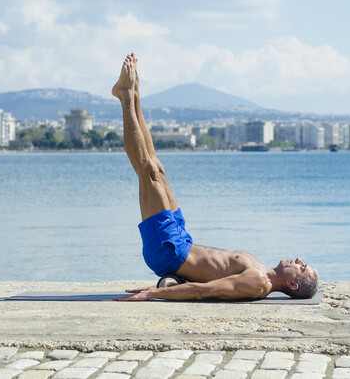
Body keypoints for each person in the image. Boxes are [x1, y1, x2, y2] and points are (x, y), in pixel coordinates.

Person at [112, 53, 319, 301]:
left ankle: (125, 97)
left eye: (302, 267)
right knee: (157, 168)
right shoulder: (262, 271)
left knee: (148, 172)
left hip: (169, 251)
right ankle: (132, 93)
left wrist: (154, 293)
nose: (299, 260)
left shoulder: (258, 282)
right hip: (181, 242)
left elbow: (203, 291)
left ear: (293, 284)